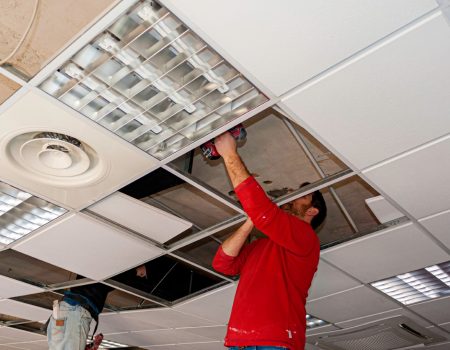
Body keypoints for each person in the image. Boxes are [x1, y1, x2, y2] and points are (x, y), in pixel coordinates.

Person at [212, 132, 327, 350]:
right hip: (240, 340)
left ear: (312, 211)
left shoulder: (306, 237)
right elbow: (223, 264)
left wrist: (230, 155)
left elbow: (265, 213)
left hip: (277, 339)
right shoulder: (261, 245)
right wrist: (249, 222)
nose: (292, 194)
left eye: (302, 195)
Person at [47, 264, 148, 350]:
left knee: (101, 282)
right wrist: (93, 346)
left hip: (77, 310)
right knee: (92, 276)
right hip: (69, 310)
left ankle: (137, 269)